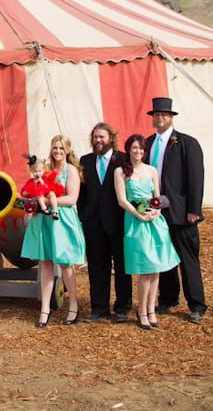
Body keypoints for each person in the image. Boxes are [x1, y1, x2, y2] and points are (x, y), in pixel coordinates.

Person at [145, 97, 207, 324]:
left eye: (163, 114)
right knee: (164, 256)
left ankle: (197, 304)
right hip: (156, 211)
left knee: (187, 258)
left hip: (181, 211)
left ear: (171, 117)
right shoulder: (148, 142)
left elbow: (196, 179)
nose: (159, 118)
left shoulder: (187, 143)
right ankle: (169, 297)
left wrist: (194, 209)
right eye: (156, 115)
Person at [114, 134, 180, 330]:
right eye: (134, 148)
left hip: (154, 221)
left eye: (141, 149)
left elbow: (157, 196)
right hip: (135, 221)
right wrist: (138, 215)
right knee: (145, 269)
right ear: (128, 149)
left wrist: (156, 212)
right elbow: (122, 200)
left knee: (156, 267)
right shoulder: (121, 172)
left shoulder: (151, 170)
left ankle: (151, 309)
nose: (138, 152)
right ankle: (141, 310)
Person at [21, 135, 85, 327]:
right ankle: (45, 308)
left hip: (62, 220)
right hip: (44, 220)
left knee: (65, 263)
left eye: (61, 148)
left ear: (67, 151)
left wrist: (48, 202)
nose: (57, 152)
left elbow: (72, 198)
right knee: (46, 263)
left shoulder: (71, 170)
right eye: (54, 148)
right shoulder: (46, 169)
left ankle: (73, 305)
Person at [77, 122, 132, 323]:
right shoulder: (86, 161)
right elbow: (82, 193)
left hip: (118, 224)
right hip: (93, 224)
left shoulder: (122, 160)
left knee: (122, 266)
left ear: (111, 138)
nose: (98, 141)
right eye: (95, 137)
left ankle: (123, 307)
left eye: (102, 137)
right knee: (97, 268)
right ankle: (99, 308)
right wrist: (83, 215)